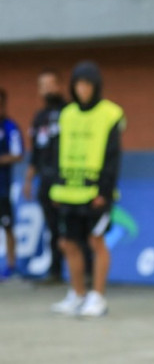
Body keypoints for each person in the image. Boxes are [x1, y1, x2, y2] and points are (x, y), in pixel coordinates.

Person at [49, 61, 124, 317]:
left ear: (96, 87)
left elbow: (113, 155)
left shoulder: (110, 113)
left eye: (87, 85)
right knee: (68, 243)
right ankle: (77, 294)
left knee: (96, 241)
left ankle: (97, 297)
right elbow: (57, 152)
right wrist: (55, 186)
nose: (82, 90)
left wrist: (104, 190)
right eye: (78, 85)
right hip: (68, 191)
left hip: (96, 193)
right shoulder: (66, 114)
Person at [21, 70, 67, 283]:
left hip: (67, 180)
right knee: (52, 227)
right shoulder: (39, 118)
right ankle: (55, 271)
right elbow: (35, 153)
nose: (47, 89)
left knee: (72, 229)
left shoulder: (69, 112)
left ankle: (85, 273)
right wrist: (29, 180)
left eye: (51, 84)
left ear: (59, 85)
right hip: (45, 180)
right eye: (43, 85)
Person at [0, 88, 24, 280]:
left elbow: (17, 154)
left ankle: (11, 265)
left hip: (2, 189)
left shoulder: (10, 127)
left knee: (8, 227)